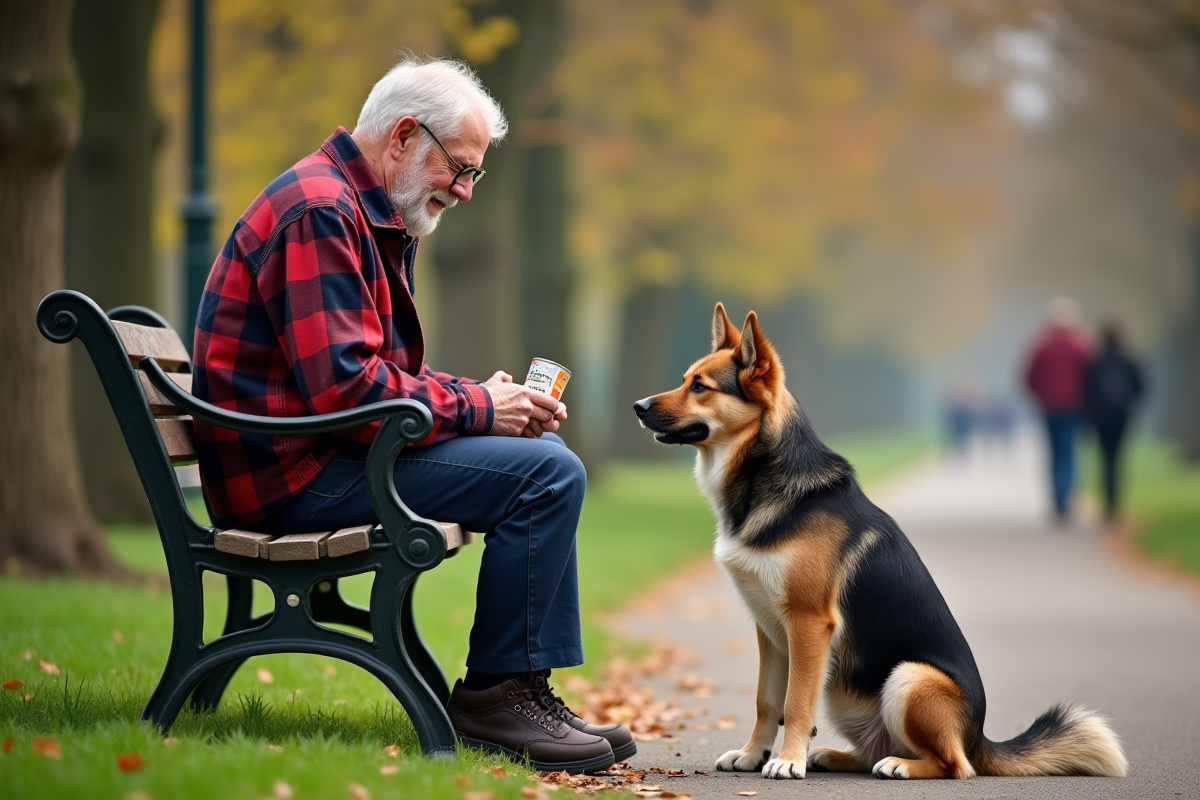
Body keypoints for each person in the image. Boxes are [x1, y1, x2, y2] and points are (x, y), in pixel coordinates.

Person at [191, 57, 631, 773]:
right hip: (293, 479)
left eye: (473, 174)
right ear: (401, 137)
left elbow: (372, 375)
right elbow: (348, 392)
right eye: (458, 168)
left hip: (319, 456)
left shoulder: (358, 210)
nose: (464, 190)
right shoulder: (320, 212)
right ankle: (497, 700)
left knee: (546, 463)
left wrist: (482, 400)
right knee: (545, 475)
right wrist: (480, 407)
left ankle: (522, 692)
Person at [1023, 297, 1092, 523]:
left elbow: (1029, 377)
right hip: (1074, 406)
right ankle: (1066, 496)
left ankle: (1057, 499)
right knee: (1069, 451)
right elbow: (1091, 376)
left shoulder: (1042, 345)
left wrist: (1042, 394)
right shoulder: (1081, 345)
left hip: (1050, 406)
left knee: (1054, 453)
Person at [1085, 321, 1145, 524]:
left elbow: (1087, 389)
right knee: (1118, 459)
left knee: (1105, 458)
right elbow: (1140, 387)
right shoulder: (1130, 361)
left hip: (1101, 416)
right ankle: (1115, 503)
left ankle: (1108, 503)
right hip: (1121, 415)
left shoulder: (1095, 362)